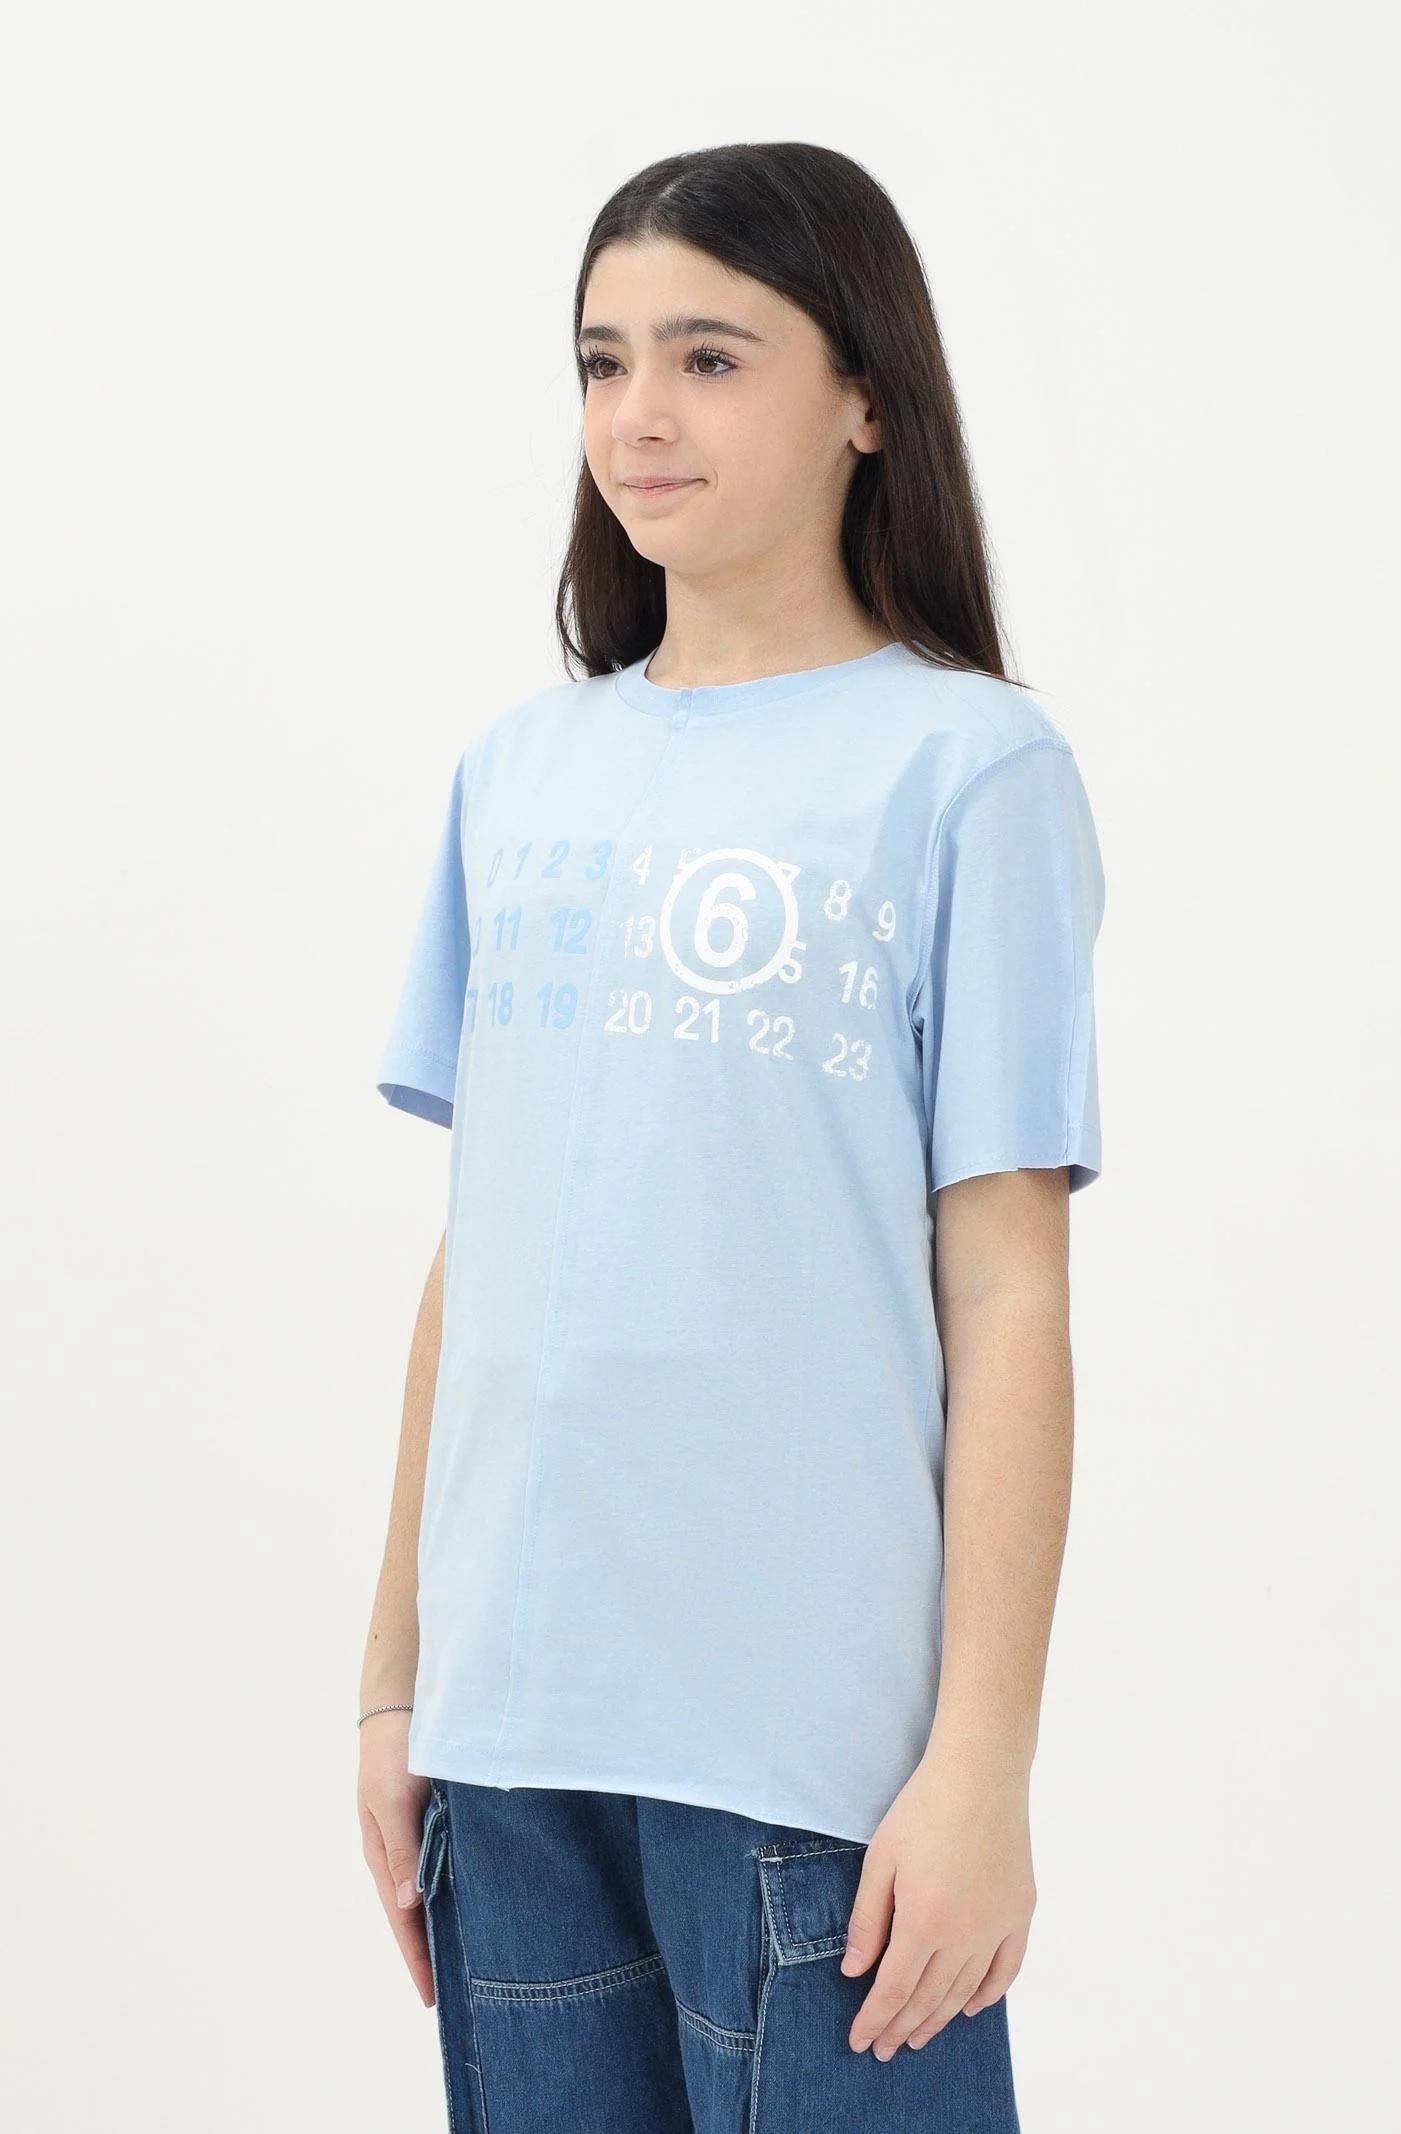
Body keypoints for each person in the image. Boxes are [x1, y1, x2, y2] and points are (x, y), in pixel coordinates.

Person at [358, 140, 1105, 2134]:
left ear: (865, 395)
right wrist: (394, 1678)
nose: (639, 415)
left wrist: (980, 1762)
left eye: (708, 356)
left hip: (808, 1761)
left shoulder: (968, 768)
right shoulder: (519, 772)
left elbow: (1007, 1290)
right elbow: (479, 1253)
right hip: (512, 1745)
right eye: (602, 361)